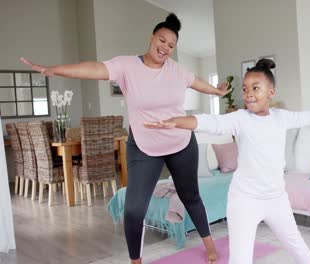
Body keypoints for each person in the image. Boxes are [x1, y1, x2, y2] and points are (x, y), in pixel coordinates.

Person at [21, 13, 226, 264]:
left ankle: (210, 244)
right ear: (152, 38)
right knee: (133, 209)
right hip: (143, 146)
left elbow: (198, 83)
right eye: (162, 40)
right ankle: (135, 261)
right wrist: (54, 70)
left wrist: (216, 90)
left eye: (171, 46)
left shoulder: (177, 70)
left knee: (191, 196)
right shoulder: (127, 66)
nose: (165, 48)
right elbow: (94, 69)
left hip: (181, 144)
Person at [144, 58, 310, 264]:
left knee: (298, 247)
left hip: (276, 198)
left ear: (271, 92)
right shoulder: (240, 119)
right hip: (245, 200)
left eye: (256, 88)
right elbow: (209, 122)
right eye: (245, 88)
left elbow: (305, 116)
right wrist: (176, 122)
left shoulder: (281, 117)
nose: (248, 93)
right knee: (240, 260)